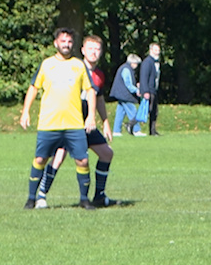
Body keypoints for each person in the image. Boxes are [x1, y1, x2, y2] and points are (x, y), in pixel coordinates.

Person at [19, 29, 96, 209]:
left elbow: (90, 90)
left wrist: (91, 115)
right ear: (56, 43)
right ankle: (31, 198)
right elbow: (33, 87)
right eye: (63, 41)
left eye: (69, 41)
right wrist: (25, 111)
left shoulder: (79, 65)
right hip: (49, 123)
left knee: (82, 161)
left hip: (74, 124)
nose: (66, 44)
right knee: (40, 159)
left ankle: (84, 199)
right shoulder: (47, 65)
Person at [36, 33, 113, 207]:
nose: (93, 52)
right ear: (83, 50)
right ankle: (41, 195)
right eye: (90, 48)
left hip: (87, 122)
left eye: (97, 49)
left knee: (107, 154)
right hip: (70, 122)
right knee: (58, 157)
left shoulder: (99, 75)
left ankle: (99, 196)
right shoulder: (74, 67)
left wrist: (105, 122)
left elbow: (99, 98)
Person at [110, 52, 141, 135]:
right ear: (132, 62)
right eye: (136, 63)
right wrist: (137, 90)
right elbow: (128, 84)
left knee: (120, 112)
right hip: (124, 95)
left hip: (120, 94)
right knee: (133, 111)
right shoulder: (126, 69)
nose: (137, 65)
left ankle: (116, 131)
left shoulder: (124, 67)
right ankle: (136, 130)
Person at [138, 42, 161, 135]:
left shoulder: (155, 62)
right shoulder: (147, 62)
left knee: (154, 111)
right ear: (151, 50)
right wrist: (145, 91)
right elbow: (144, 77)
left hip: (153, 90)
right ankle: (131, 124)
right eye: (155, 50)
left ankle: (153, 131)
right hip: (149, 90)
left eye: (158, 50)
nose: (157, 52)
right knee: (147, 110)